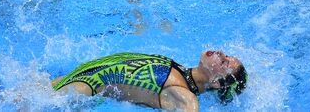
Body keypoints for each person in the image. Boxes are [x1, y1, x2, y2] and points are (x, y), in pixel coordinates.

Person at [52, 50, 247, 111]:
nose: (220, 53)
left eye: (223, 62)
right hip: (78, 76)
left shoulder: (185, 97)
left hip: (82, 91)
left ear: (215, 83)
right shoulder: (180, 69)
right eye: (225, 55)